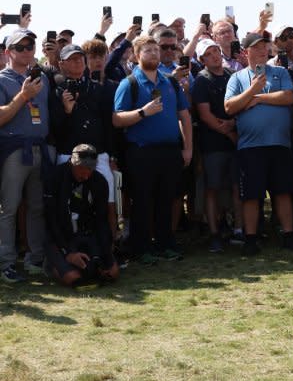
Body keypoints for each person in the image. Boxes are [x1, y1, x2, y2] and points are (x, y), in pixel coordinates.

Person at [112, 36, 192, 264]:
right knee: (142, 202)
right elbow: (116, 119)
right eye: (148, 50)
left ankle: (165, 244)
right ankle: (141, 247)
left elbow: (184, 116)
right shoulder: (129, 84)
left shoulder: (171, 83)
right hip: (141, 152)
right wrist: (142, 112)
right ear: (137, 56)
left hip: (169, 151)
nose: (155, 54)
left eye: (156, 50)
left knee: (167, 200)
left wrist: (187, 149)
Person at [224, 32, 293, 255]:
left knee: (283, 191)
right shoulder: (236, 78)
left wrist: (256, 99)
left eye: (265, 46)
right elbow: (229, 107)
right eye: (256, 47)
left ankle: (288, 235)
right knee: (251, 195)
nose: (262, 51)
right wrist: (252, 90)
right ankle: (251, 238)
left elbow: (288, 97)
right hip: (250, 147)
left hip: (279, 144)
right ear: (246, 52)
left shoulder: (280, 72)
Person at [0, 29, 53, 282]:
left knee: (36, 207)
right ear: (8, 52)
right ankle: (6, 263)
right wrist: (23, 96)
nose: (26, 50)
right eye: (19, 47)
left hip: (40, 148)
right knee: (9, 208)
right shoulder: (2, 79)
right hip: (13, 150)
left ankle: (35, 259)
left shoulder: (43, 78)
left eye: (29, 45)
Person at [49, 44, 118, 235]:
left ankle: (111, 247)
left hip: (100, 154)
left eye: (80, 57)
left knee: (108, 201)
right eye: (71, 59)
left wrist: (112, 156)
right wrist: (67, 111)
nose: (78, 61)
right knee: (70, 205)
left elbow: (108, 125)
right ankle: (72, 247)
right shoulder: (56, 92)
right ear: (62, 64)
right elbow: (55, 130)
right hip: (68, 155)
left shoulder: (99, 88)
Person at [191, 39, 242, 252]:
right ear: (202, 59)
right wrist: (228, 131)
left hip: (235, 140)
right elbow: (204, 114)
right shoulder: (202, 80)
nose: (214, 56)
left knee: (237, 187)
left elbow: (241, 104)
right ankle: (214, 234)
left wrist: (234, 124)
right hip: (213, 144)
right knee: (211, 189)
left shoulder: (232, 75)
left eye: (216, 51)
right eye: (209, 54)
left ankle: (239, 230)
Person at [43, 144, 119, 286]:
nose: (85, 174)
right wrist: (68, 253)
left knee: (112, 273)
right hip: (60, 235)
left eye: (90, 170)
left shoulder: (99, 182)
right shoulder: (55, 177)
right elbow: (51, 220)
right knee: (74, 279)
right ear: (72, 163)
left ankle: (89, 264)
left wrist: (105, 252)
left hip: (86, 233)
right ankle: (53, 266)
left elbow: (101, 220)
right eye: (81, 169)